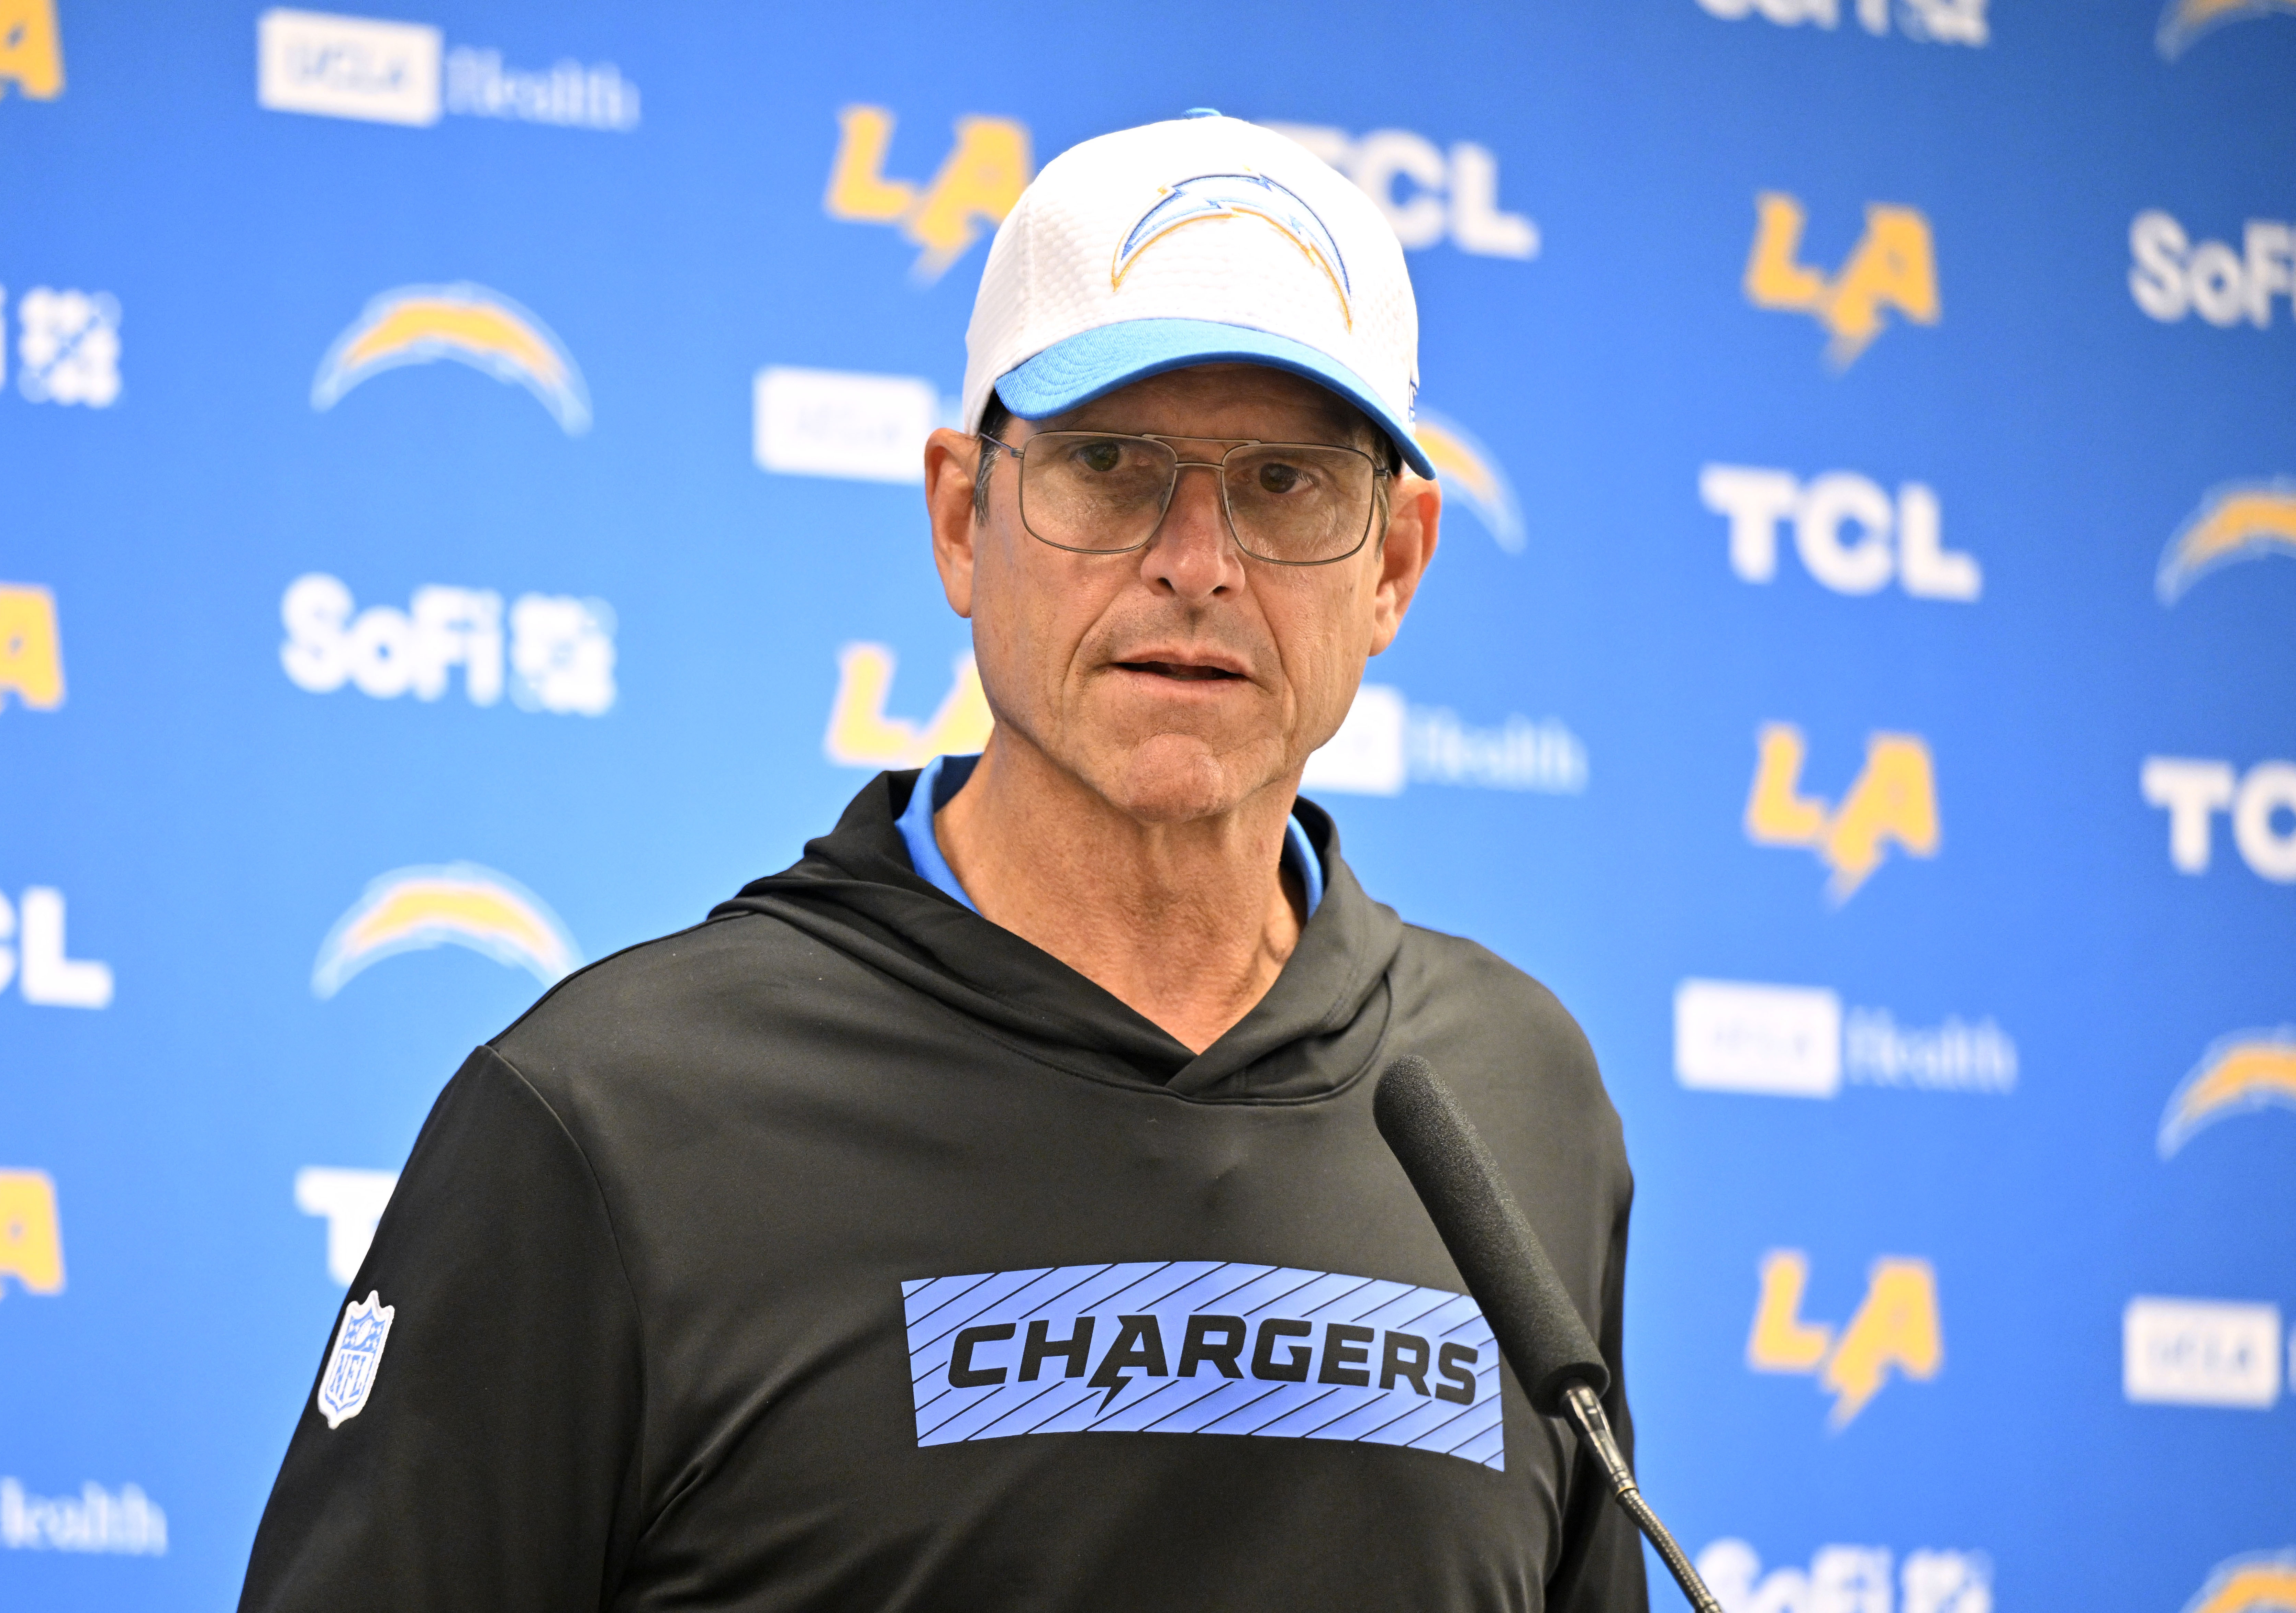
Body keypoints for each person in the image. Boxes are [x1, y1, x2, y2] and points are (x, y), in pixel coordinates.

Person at [238, 111, 1643, 1613]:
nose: (1198, 559)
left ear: (1396, 565)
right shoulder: (610, 1122)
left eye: (1286, 484)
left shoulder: (1514, 1096)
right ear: (964, 519)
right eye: (1111, 465)